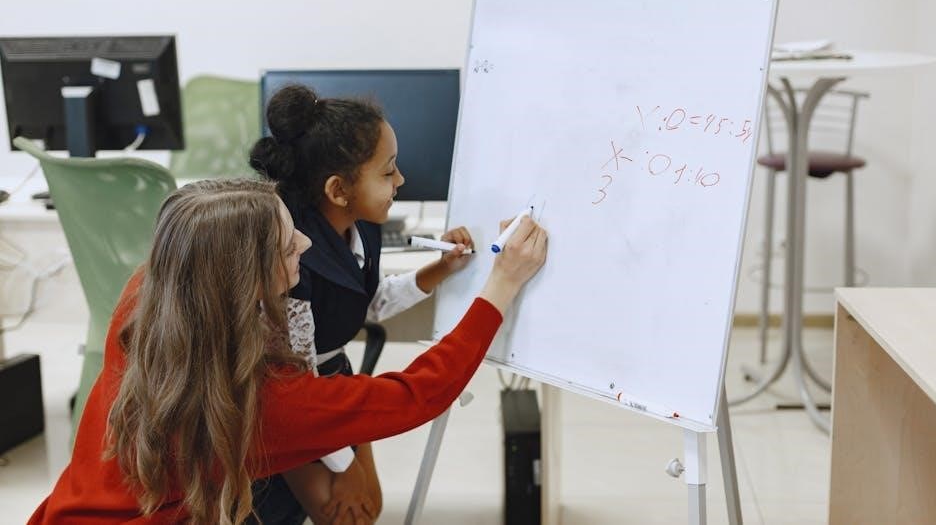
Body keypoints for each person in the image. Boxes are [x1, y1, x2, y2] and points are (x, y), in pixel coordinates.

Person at [28, 178, 547, 524]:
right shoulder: (259, 402)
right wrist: (501, 285)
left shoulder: (149, 297)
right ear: (242, 278)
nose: (305, 243)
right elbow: (418, 394)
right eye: (285, 244)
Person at [248, 84, 473, 523]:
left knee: (366, 507)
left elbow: (365, 302)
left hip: (330, 380)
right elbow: (296, 387)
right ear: (338, 190)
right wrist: (345, 463)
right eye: (388, 172)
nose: (400, 181)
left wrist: (441, 268)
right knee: (345, 513)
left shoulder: (363, 226)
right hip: (280, 400)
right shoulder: (293, 260)